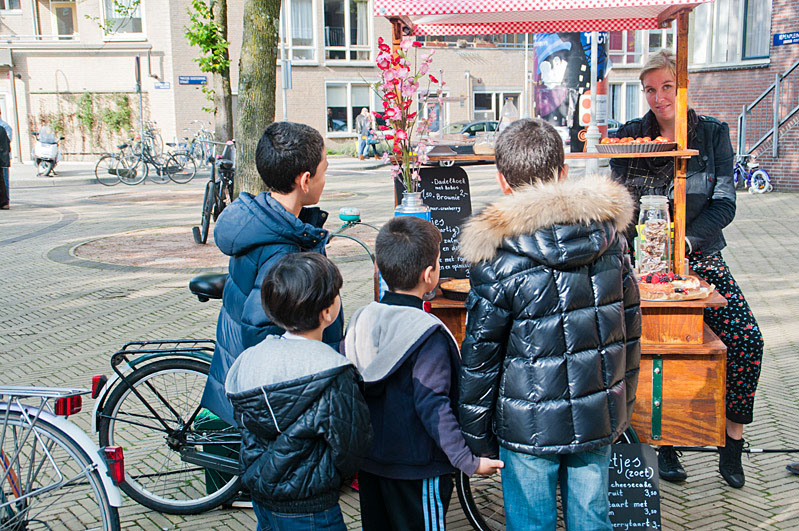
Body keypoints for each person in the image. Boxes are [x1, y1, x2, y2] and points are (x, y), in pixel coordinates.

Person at [458, 118, 641, 531]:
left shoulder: (498, 259)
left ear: (502, 181)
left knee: (530, 525)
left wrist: (476, 439)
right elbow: (630, 332)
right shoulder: (611, 239)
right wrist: (622, 407)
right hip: (597, 415)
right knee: (592, 521)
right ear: (563, 172)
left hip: (528, 428)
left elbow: (480, 359)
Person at [610, 49, 764, 489]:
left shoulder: (713, 134)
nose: (658, 99)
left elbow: (724, 203)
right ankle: (667, 442)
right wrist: (634, 251)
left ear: (683, 87)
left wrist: (686, 247)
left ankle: (731, 443)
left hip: (700, 262)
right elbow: (617, 204)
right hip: (641, 266)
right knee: (654, 351)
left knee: (746, 340)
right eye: (649, 90)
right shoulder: (631, 136)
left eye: (666, 88)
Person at [343, 216, 503, 531]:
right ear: (429, 275)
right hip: (418, 470)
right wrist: (467, 462)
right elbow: (434, 407)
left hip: (371, 463)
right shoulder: (427, 335)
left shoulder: (361, 319)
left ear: (379, 267)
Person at [201, 121, 343, 427]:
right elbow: (263, 333)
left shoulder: (264, 220)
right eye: (324, 170)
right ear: (305, 179)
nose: (325, 179)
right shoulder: (282, 253)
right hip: (265, 405)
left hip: (231, 369)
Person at [225, 252, 373, 531]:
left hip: (262, 496)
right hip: (312, 506)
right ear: (328, 311)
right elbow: (352, 445)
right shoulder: (333, 372)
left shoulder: (248, 361)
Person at [0, 110, 11, 209]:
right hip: (3, 159)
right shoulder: (3, 128)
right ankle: (4, 202)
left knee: (3, 181)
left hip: (2, 158)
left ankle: (4, 201)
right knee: (2, 181)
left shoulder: (3, 127)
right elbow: (7, 143)